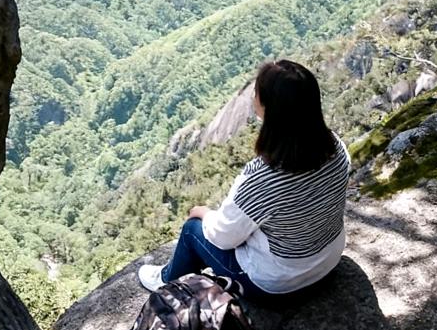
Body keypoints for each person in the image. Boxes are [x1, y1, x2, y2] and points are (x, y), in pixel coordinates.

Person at [138, 59, 350, 301]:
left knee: (192, 230)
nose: (253, 96)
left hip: (278, 285)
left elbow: (223, 237)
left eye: (256, 91)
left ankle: (167, 281)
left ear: (269, 108)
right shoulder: (335, 147)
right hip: (327, 261)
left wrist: (204, 214)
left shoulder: (264, 177)